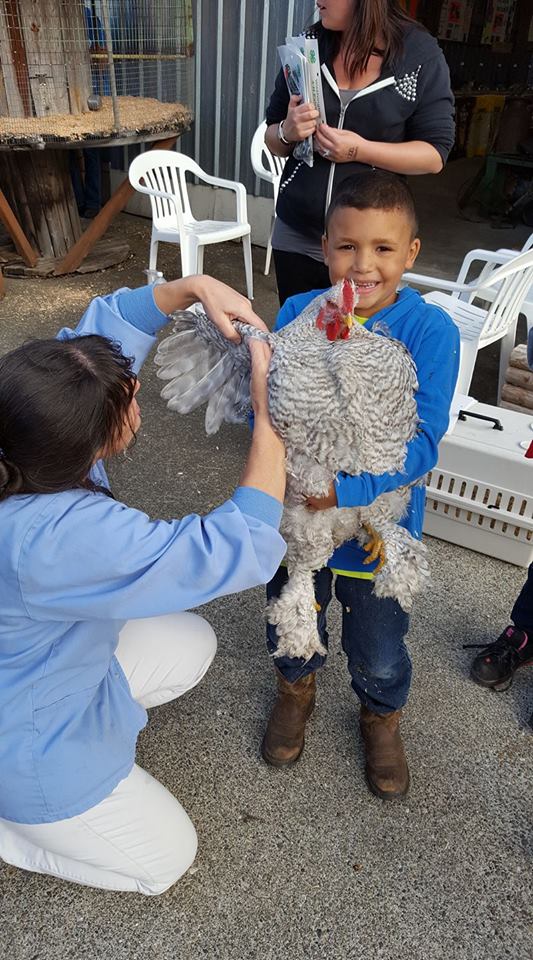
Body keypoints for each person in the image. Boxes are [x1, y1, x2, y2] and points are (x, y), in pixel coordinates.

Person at [0, 275, 286, 895]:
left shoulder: (28, 436)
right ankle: (20, 824)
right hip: (19, 742)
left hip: (26, 666)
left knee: (190, 642)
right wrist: (271, 421)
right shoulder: (60, 536)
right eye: (130, 401)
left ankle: (85, 725)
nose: (138, 401)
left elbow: (92, 337)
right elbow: (232, 547)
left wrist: (192, 286)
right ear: (95, 443)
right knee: (166, 859)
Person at [261, 170, 460, 800]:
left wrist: (347, 497)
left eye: (382, 249)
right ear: (324, 247)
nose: (363, 265)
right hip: (298, 520)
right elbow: (268, 410)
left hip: (379, 527)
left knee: (378, 642)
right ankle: (297, 687)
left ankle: (380, 713)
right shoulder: (297, 313)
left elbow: (422, 444)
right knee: (292, 616)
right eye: (347, 247)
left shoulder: (430, 332)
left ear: (411, 254)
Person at [265, 0, 455, 305]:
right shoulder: (309, 47)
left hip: (366, 247)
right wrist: (288, 130)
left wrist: (359, 150)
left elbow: (434, 154)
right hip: (298, 232)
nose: (317, 2)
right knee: (298, 335)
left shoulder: (418, 56)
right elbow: (272, 139)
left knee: (355, 343)